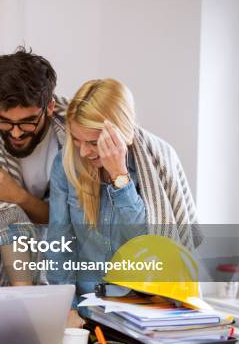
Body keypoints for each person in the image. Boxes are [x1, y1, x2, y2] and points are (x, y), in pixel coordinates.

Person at [47, 78, 201, 326]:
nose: (83, 151)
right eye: (76, 140)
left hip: (143, 314)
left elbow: (152, 246)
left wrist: (120, 177)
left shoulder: (158, 161)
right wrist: (68, 309)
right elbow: (59, 243)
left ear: (119, 132)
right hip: (85, 313)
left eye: (93, 142)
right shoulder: (65, 165)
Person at [0, 47, 68, 286]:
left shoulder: (71, 140)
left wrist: (18, 196)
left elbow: (69, 218)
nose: (16, 133)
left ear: (49, 108)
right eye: (6, 122)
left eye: (27, 122)